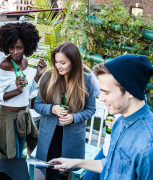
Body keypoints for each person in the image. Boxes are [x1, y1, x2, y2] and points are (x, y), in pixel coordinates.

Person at [49, 55, 153, 179]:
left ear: (130, 91)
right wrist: (75, 162)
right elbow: (111, 165)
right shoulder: (120, 122)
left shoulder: (152, 148)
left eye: (106, 92)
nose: (101, 97)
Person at [34, 42, 96, 180]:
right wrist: (52, 109)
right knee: (51, 171)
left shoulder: (86, 80)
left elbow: (91, 109)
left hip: (73, 137)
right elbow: (37, 105)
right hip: (50, 135)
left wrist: (74, 118)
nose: (58, 66)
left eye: (63, 62)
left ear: (73, 62)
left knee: (65, 173)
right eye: (56, 62)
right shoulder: (47, 77)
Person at [0, 22, 47, 159]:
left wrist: (38, 75)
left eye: (19, 48)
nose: (15, 52)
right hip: (7, 119)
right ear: (6, 47)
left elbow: (29, 90)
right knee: (8, 158)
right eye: (11, 48)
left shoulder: (25, 62)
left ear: (26, 46)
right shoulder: (3, 67)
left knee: (20, 153)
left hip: (23, 115)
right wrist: (17, 91)